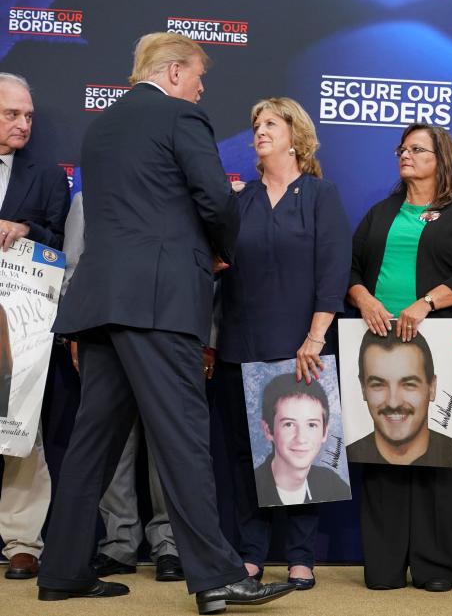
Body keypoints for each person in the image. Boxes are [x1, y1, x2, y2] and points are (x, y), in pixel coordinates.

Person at [36, 33, 294, 613]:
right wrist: (220, 250)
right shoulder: (181, 116)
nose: (203, 88)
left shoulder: (100, 127)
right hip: (158, 303)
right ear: (174, 73)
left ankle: (62, 569)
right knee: (182, 436)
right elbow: (216, 201)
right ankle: (218, 577)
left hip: (100, 305)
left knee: (90, 443)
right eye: (199, 76)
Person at [212, 96, 351, 591]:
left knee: (300, 451)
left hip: (302, 347)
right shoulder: (240, 199)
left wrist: (315, 337)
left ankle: (299, 555)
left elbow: (333, 274)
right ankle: (250, 553)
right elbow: (218, 264)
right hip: (240, 344)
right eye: (256, 125)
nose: (259, 131)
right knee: (245, 455)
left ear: (296, 135)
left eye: (270, 123)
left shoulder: (320, 195)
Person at [347, 123, 452, 591]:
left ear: (440, 158)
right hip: (382, 349)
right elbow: (349, 267)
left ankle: (438, 567)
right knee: (383, 453)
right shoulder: (381, 211)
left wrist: (427, 302)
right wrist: (363, 298)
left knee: (439, 455)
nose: (406, 155)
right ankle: (386, 565)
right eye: (403, 149)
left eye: (417, 149)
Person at [60, 193, 183, 583]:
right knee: (112, 440)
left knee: (167, 443)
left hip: (164, 333)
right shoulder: (85, 198)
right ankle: (119, 542)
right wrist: (76, 330)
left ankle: (168, 545)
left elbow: (193, 269)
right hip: (105, 337)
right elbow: (74, 264)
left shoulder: (176, 198)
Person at [0, 72, 69, 581]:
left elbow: (59, 241)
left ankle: (21, 541)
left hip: (19, 325)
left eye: (28, 115)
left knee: (22, 427)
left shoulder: (45, 175)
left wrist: (25, 229)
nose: (23, 124)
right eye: (11, 114)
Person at [347, 329, 452, 465]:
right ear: (363, 388)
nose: (393, 403)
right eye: (378, 385)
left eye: (408, 385)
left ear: (432, 387)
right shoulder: (347, 460)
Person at [253, 373, 350, 507]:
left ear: (324, 433)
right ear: (268, 430)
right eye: (289, 424)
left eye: (311, 425)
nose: (301, 438)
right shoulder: (254, 486)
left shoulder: (333, 485)